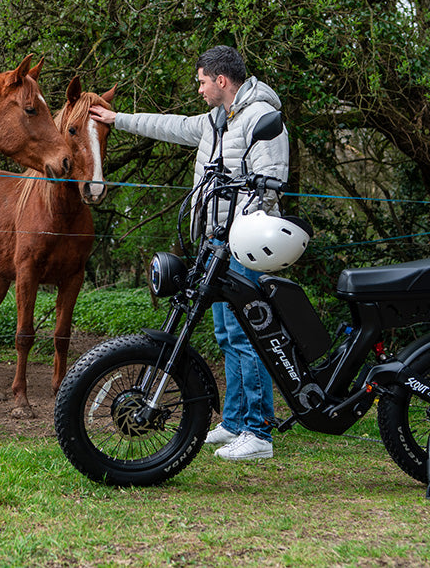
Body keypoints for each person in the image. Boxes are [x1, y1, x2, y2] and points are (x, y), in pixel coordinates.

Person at [89, 45, 289, 461]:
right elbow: (169, 125)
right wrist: (116, 120)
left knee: (246, 334)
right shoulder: (217, 121)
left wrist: (238, 233)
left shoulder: (261, 119)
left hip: (244, 244)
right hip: (215, 242)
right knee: (225, 333)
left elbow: (269, 187)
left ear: (221, 81)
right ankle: (234, 421)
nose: (198, 89)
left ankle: (259, 433)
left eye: (201, 81)